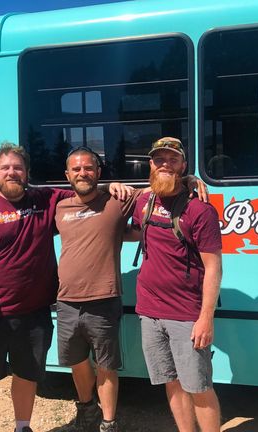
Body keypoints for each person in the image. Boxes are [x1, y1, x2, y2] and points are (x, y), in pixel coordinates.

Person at [0, 142, 129, 432]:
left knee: (27, 375)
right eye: (5, 168)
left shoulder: (46, 201)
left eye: (18, 167)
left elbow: (85, 188)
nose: (12, 172)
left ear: (27, 173)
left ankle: (22, 427)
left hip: (34, 314)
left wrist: (112, 184)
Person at [54, 146, 208, 432]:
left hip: (103, 297)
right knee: (76, 362)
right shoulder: (60, 205)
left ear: (99, 172)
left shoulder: (116, 200)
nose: (82, 173)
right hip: (66, 301)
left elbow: (158, 188)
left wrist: (186, 180)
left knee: (106, 365)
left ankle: (109, 422)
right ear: (67, 175)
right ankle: (86, 411)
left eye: (89, 168)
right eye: (76, 169)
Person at [129, 137, 223, 432]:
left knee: (198, 386)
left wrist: (205, 317)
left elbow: (214, 268)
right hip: (149, 312)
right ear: (151, 165)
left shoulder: (200, 211)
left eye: (172, 160)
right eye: (159, 160)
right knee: (171, 381)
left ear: (183, 165)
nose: (165, 164)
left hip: (186, 315)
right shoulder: (144, 201)